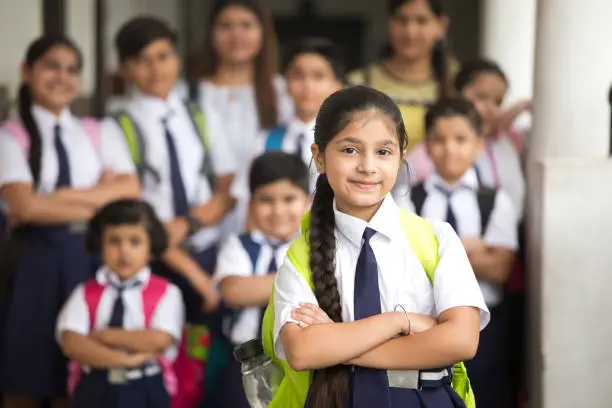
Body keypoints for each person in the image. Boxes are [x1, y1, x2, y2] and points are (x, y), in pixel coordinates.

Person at [262, 86, 489, 407]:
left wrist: (340, 345)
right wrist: (399, 322)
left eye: (383, 152)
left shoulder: (437, 238)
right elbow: (302, 351)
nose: (368, 166)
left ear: (401, 157)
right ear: (319, 157)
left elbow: (462, 341)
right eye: (350, 150)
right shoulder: (300, 254)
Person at [0, 36, 139, 408]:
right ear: (27, 72)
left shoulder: (97, 131)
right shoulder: (11, 136)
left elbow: (130, 188)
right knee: (24, 375)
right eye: (51, 66)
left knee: (77, 374)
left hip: (88, 259)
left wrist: (59, 199)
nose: (62, 76)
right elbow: (25, 207)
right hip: (33, 264)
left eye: (72, 69)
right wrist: (97, 202)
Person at [108, 17, 237, 404]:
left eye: (164, 56)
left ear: (177, 58)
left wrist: (190, 222)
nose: (156, 69)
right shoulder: (118, 125)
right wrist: (192, 272)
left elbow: (226, 189)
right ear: (126, 68)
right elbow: (134, 216)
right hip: (156, 263)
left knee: (204, 359)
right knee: (158, 358)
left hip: (206, 249)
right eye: (143, 60)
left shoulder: (198, 115)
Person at [406, 98, 518, 408]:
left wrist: (434, 253)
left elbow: (499, 269)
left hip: (485, 326)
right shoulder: (408, 199)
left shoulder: (494, 200)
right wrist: (470, 248)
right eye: (439, 140)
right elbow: (406, 262)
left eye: (461, 139)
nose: (450, 149)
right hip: (425, 322)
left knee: (485, 395)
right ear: (427, 146)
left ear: (479, 145)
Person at [57, 199, 184, 408]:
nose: (124, 251)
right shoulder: (86, 292)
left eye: (135, 241)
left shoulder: (167, 293)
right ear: (100, 245)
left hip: (145, 387)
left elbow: (159, 340)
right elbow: (72, 342)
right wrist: (126, 361)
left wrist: (101, 336)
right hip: (95, 386)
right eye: (114, 241)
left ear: (150, 246)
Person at [181, 0, 293, 236]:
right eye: (226, 26)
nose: (236, 35)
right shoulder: (188, 94)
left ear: (263, 32)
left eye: (246, 25)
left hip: (268, 224)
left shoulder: (284, 93)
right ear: (211, 32)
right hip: (200, 225)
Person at [207, 152, 310, 408]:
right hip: (246, 365)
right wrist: (301, 282)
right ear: (251, 204)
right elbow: (234, 291)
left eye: (289, 199)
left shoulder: (313, 247)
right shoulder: (239, 247)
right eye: (266, 200)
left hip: (302, 362)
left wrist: (262, 286)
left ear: (307, 202)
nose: (278, 210)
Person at [230, 37, 343, 225]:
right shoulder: (267, 139)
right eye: (298, 76)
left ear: (337, 84)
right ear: (286, 82)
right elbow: (246, 202)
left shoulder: (345, 141)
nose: (307, 85)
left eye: (318, 76)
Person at [407, 59, 528, 219]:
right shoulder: (424, 155)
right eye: (481, 97)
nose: (491, 109)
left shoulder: (505, 146)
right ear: (455, 94)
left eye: (498, 102)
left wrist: (522, 107)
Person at [347, 0, 457, 152]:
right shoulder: (359, 83)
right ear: (389, 22)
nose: (410, 31)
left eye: (421, 21)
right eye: (401, 20)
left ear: (442, 25)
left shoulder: (458, 83)